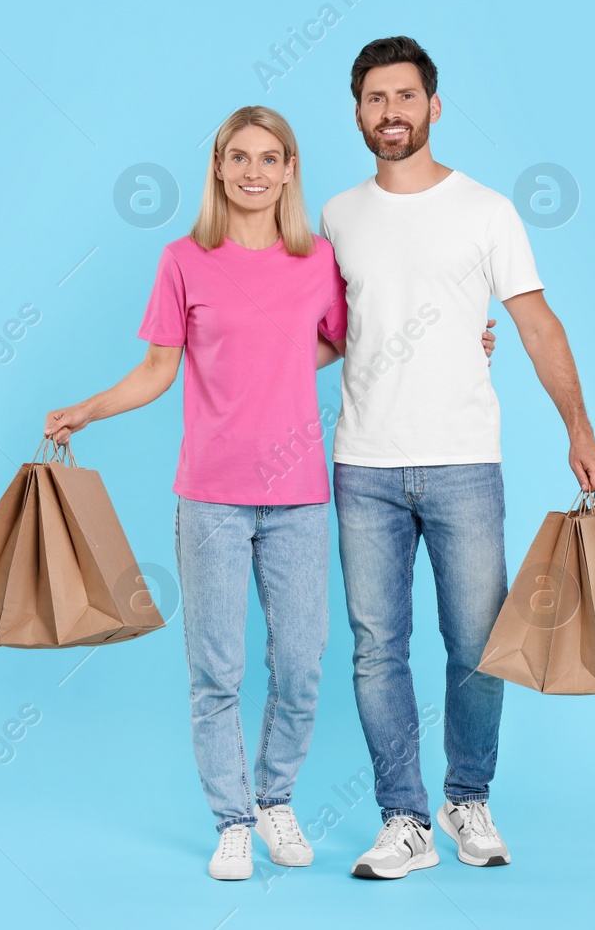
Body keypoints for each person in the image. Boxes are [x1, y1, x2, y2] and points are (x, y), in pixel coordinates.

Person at [43, 105, 494, 881]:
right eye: (239, 157)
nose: (254, 171)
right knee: (216, 670)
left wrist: (462, 335)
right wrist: (85, 408)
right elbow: (159, 369)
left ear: (289, 170)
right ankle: (232, 821)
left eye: (270, 158)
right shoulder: (183, 259)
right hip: (210, 498)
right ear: (219, 168)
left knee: (302, 660)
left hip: (298, 496)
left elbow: (351, 337)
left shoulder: (315, 257)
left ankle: (274, 797)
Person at [320, 36, 595, 879]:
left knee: (479, 643)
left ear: (434, 107)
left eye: (406, 97)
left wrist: (578, 428)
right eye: (376, 100)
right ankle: (404, 818)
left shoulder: (486, 210)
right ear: (358, 113)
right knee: (378, 647)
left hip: (462, 462)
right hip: (363, 465)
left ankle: (467, 798)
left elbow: (537, 323)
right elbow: (326, 338)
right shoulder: (337, 216)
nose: (392, 114)